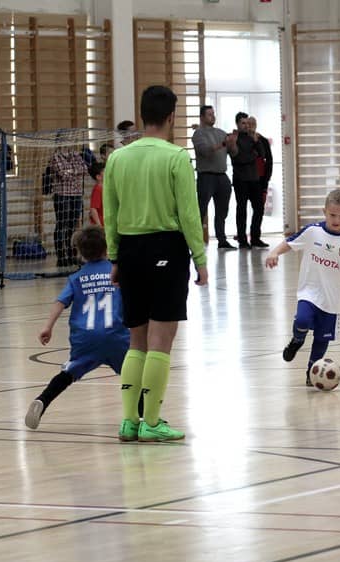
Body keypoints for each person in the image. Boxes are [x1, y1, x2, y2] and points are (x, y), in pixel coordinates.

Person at [104, 85, 208, 443]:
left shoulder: (118, 159)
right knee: (161, 339)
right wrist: (200, 259)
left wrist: (114, 257)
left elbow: (111, 214)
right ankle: (151, 422)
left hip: (129, 250)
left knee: (137, 340)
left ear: (142, 114)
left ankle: (129, 421)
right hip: (166, 248)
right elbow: (189, 214)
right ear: (171, 117)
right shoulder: (176, 157)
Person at [24, 225, 130, 430]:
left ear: (79, 252)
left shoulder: (76, 278)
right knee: (132, 374)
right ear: (107, 248)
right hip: (116, 335)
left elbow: (60, 302)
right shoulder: (116, 272)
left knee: (68, 374)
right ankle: (142, 416)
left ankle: (42, 400)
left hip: (85, 339)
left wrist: (48, 327)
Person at [265, 189, 340, 385]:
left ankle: (311, 373)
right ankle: (297, 340)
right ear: (324, 212)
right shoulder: (312, 231)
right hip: (309, 292)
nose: (337, 220)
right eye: (332, 215)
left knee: (322, 338)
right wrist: (274, 252)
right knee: (302, 319)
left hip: (331, 299)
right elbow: (290, 243)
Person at [192, 105, 234, 249]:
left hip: (222, 176)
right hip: (206, 176)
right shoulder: (198, 134)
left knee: (222, 211)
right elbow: (205, 151)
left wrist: (232, 143)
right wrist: (223, 144)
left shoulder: (221, 132)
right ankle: (195, 242)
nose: (213, 116)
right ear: (202, 117)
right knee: (201, 210)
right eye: (209, 114)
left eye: (213, 113)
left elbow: (233, 152)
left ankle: (222, 240)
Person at [228, 112, 267, 249]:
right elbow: (238, 158)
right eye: (243, 123)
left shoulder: (252, 137)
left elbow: (262, 154)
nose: (246, 126)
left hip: (254, 179)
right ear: (237, 124)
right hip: (240, 180)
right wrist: (252, 156)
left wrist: (256, 141)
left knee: (259, 208)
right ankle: (242, 240)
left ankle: (255, 238)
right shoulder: (233, 138)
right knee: (242, 210)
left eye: (247, 123)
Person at [48, 142, 88, 267]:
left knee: (72, 225)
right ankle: (61, 257)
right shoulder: (55, 157)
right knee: (62, 225)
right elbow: (62, 174)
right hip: (62, 194)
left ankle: (72, 255)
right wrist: (75, 171)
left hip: (76, 194)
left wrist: (70, 171)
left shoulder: (76, 155)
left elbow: (84, 169)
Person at [249, 115, 273, 223]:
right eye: (249, 124)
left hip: (261, 178)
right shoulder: (242, 139)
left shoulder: (263, 140)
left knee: (259, 208)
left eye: (253, 124)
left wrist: (267, 178)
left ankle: (255, 232)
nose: (251, 126)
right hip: (246, 178)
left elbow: (268, 159)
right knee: (243, 208)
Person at [88, 161, 105, 227]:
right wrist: (99, 225)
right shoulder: (98, 189)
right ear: (98, 177)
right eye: (105, 172)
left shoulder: (104, 188)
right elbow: (93, 209)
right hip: (102, 226)